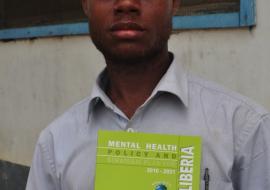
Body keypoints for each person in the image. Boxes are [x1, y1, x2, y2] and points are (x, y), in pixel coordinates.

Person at [26, 0, 270, 189]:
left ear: (174, 3)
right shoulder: (55, 143)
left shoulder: (244, 129)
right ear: (85, 4)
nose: (126, 4)